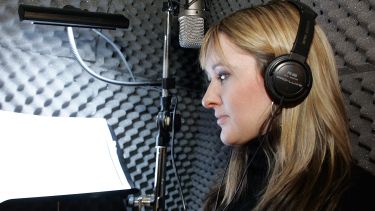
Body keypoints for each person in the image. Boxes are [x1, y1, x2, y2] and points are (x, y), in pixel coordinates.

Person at [199, 0, 374, 210]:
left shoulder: (357, 198)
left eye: (223, 75)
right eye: (211, 78)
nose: (207, 99)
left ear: (286, 79)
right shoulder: (228, 192)